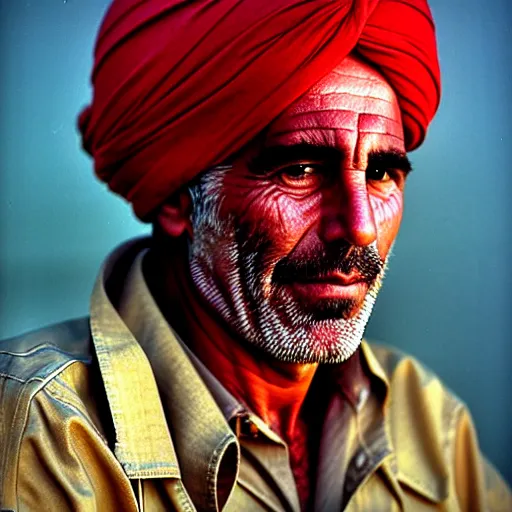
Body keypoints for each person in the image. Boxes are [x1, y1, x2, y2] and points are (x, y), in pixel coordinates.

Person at [0, 0, 510, 510]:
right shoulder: (40, 435)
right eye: (302, 170)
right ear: (179, 197)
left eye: (381, 174)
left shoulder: (430, 423)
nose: (358, 226)